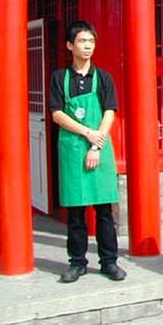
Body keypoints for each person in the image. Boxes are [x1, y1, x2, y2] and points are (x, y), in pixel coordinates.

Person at [49, 20, 126, 283]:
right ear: (70, 45)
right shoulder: (59, 78)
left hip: (99, 147)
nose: (88, 46)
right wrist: (86, 132)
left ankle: (109, 261)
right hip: (72, 149)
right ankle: (77, 262)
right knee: (76, 212)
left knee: (104, 210)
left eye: (91, 41)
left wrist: (96, 143)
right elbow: (57, 114)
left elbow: (109, 112)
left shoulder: (103, 78)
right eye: (83, 41)